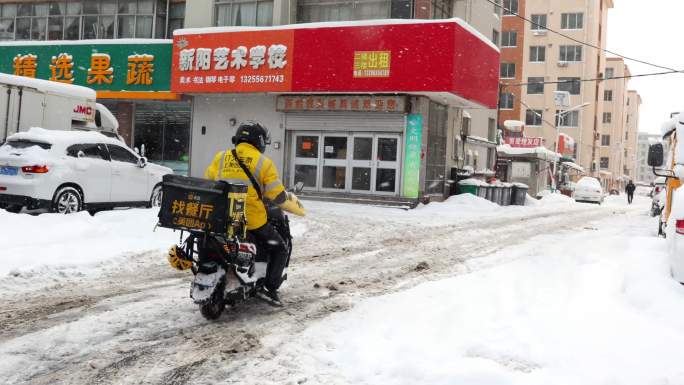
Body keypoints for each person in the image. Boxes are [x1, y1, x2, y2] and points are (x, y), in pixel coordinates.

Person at [204, 121, 304, 306]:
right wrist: (296, 206)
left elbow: (209, 180)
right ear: (259, 141)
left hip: (222, 217)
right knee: (280, 248)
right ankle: (270, 288)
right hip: (249, 218)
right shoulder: (263, 162)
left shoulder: (221, 157)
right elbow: (276, 194)